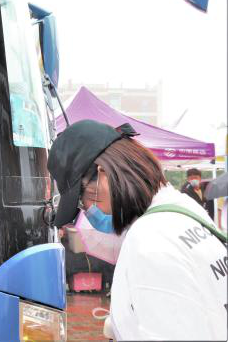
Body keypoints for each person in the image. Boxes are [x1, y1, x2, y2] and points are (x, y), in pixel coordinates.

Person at [48, 120, 227, 341]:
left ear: (103, 175)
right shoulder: (185, 209)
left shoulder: (149, 243)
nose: (86, 210)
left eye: (81, 201)